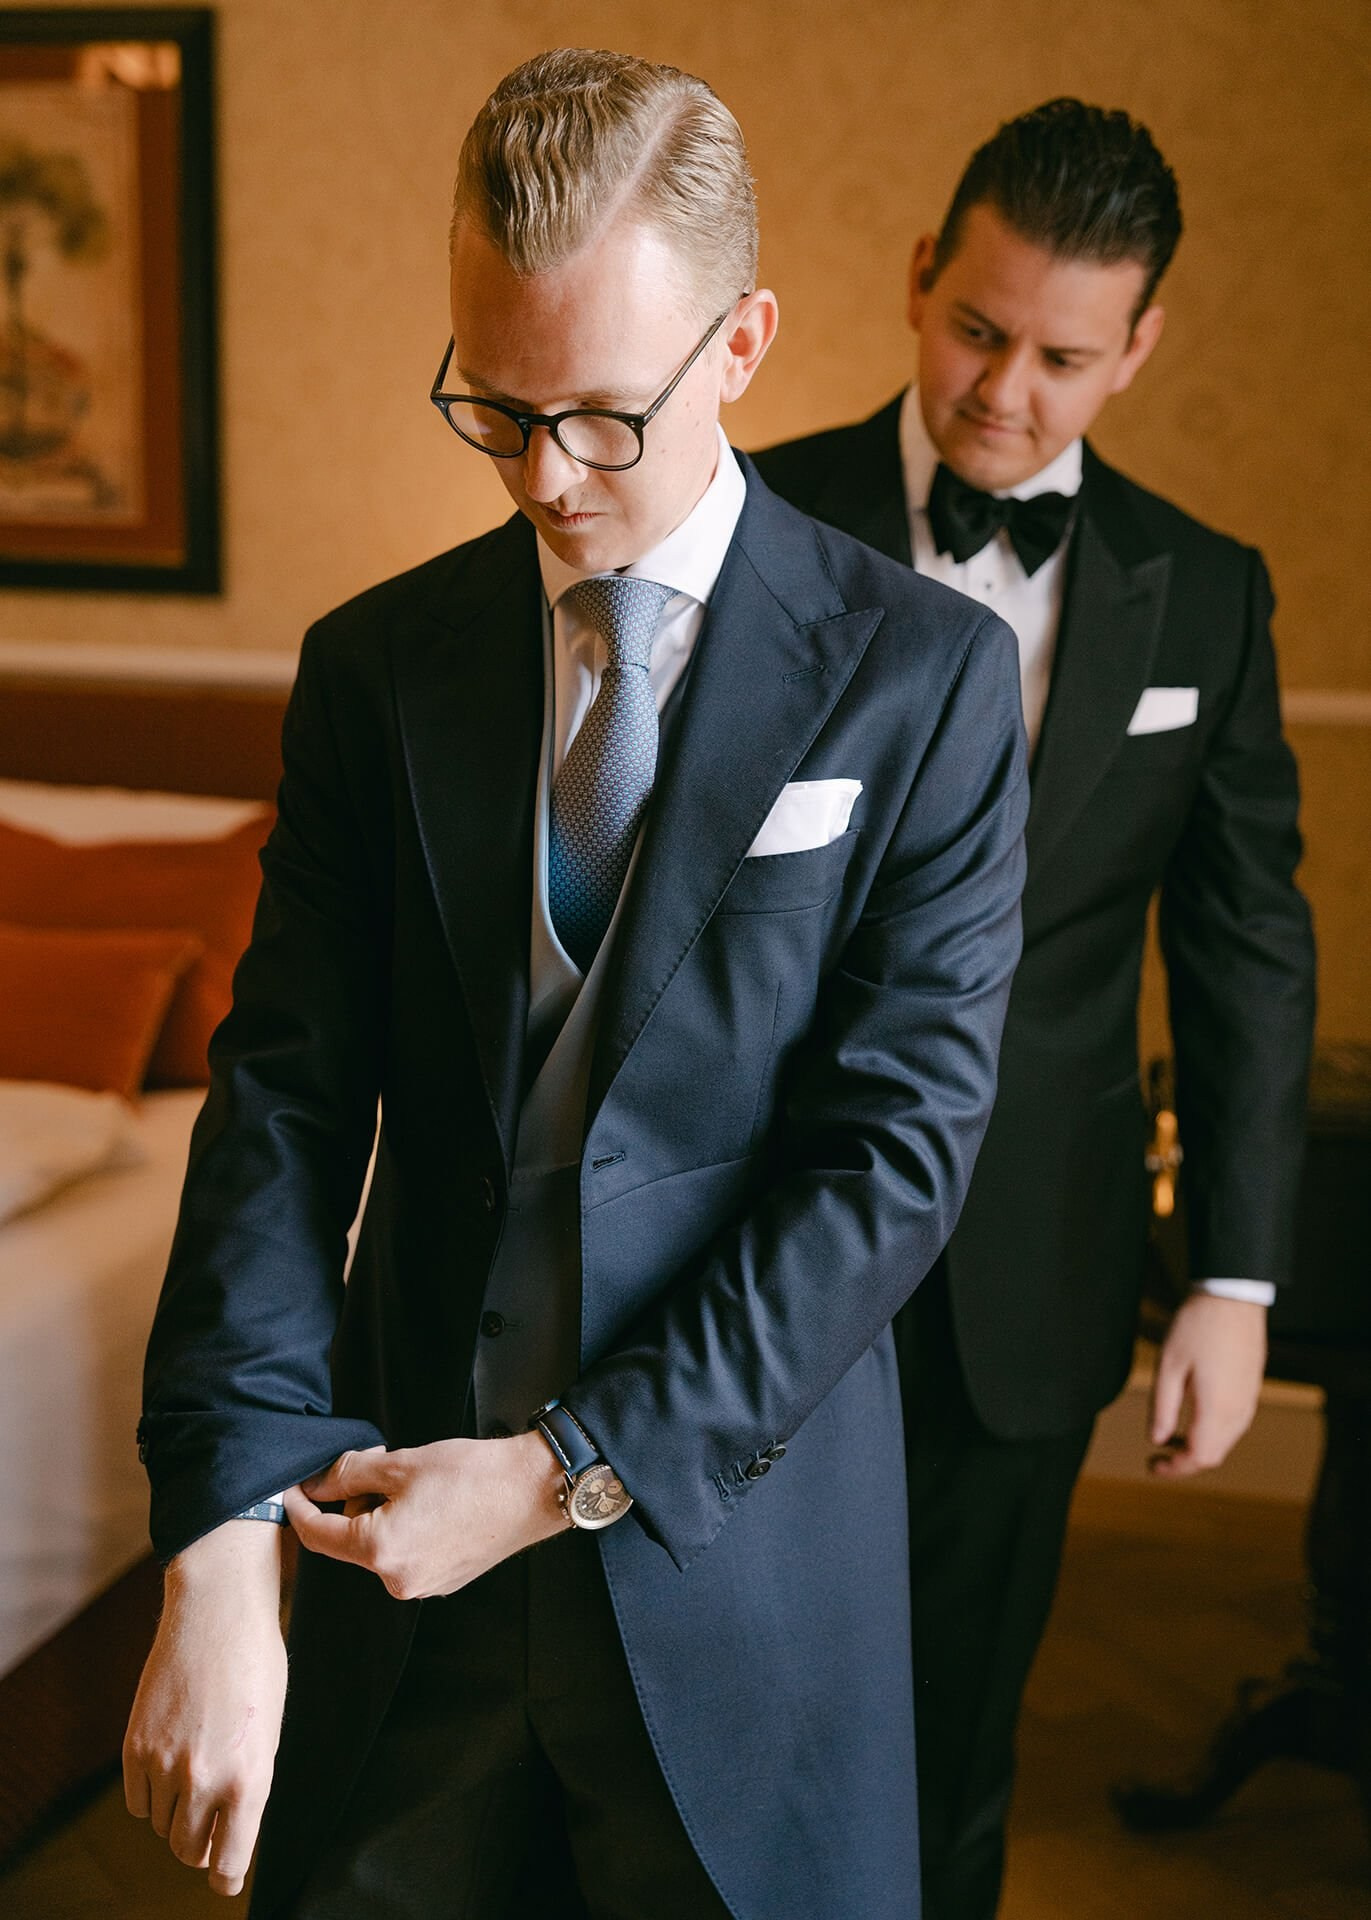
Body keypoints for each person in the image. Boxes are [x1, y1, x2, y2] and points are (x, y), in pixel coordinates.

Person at [122, 49, 1029, 1920]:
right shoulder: (377, 668)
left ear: (747, 342)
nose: (547, 477)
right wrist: (219, 1537)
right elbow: (285, 1106)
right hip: (392, 1582)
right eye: (496, 406)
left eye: (607, 416)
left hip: (739, 1573)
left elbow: (890, 1169)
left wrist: (561, 1473)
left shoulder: (923, 681)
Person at [755, 97, 1316, 1920]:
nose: (1007, 391)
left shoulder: (1208, 599)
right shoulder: (743, 525)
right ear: (922, 277)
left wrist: (1231, 1282)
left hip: (1035, 1259)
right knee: (716, 1714)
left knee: (950, 1739)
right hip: (738, 1241)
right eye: (978, 330)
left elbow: (1244, 945)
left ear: (1139, 344)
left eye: (1065, 357)